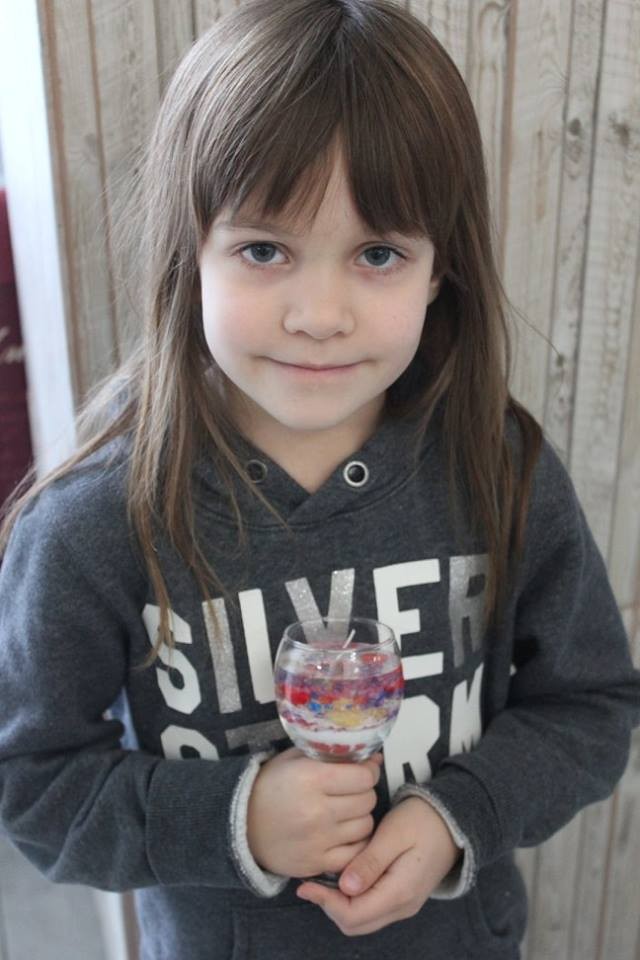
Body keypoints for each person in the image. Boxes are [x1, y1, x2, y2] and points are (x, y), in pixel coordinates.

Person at [0, 1, 638, 957]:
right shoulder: (94, 522)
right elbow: (32, 783)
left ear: (438, 271)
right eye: (265, 250)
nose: (320, 314)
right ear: (190, 251)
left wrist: (459, 814)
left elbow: (592, 707)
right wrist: (235, 818)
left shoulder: (501, 469)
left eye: (378, 254)